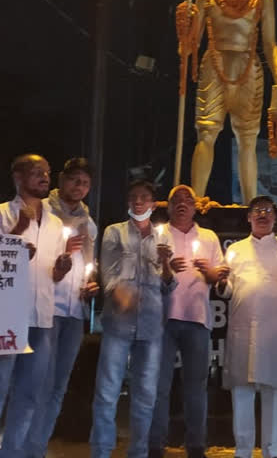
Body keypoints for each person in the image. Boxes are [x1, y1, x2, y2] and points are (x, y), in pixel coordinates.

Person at [0, 154, 75, 458]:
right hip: (6, 316)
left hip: (42, 319)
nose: (45, 177)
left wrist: (62, 269)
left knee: (30, 395)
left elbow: (53, 276)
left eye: (47, 171)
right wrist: (17, 231)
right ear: (17, 177)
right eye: (36, 172)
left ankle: (13, 453)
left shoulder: (57, 223)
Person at [185, 0, 277, 202]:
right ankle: (196, 200)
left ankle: (251, 204)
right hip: (214, 66)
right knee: (206, 133)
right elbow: (190, 46)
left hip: (248, 67)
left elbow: (270, 43)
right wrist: (185, 28)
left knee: (248, 139)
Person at [90, 180, 184, 458]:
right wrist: (118, 293)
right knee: (107, 391)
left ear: (154, 205)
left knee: (146, 394)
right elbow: (107, 274)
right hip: (119, 322)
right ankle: (101, 450)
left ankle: (139, 452)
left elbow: (168, 286)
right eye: (133, 197)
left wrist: (166, 265)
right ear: (128, 202)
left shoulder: (163, 237)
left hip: (152, 325)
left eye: (144, 197)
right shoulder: (113, 232)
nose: (139, 201)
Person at [24, 157, 100, 457]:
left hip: (74, 310)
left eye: (84, 182)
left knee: (58, 385)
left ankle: (38, 446)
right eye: (73, 180)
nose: (78, 187)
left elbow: (90, 263)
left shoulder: (88, 221)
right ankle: (25, 446)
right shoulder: (43, 211)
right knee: (38, 381)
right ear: (61, 179)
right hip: (46, 309)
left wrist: (91, 283)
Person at [218, 195, 277, 458]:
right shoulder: (235, 250)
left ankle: (272, 452)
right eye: (257, 211)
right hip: (241, 331)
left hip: (274, 332)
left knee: (273, 397)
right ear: (249, 217)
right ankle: (242, 452)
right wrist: (221, 283)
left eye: (267, 211)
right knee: (241, 396)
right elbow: (228, 290)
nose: (262, 215)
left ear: (275, 217)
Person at [149, 185, 228, 458]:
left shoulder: (208, 237)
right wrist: (165, 270)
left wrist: (211, 272)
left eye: (188, 201)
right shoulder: (156, 235)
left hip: (198, 318)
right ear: (167, 207)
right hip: (162, 319)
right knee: (159, 386)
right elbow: (146, 279)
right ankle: (155, 445)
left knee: (196, 386)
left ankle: (196, 446)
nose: (182, 204)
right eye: (176, 200)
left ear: (196, 207)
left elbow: (220, 278)